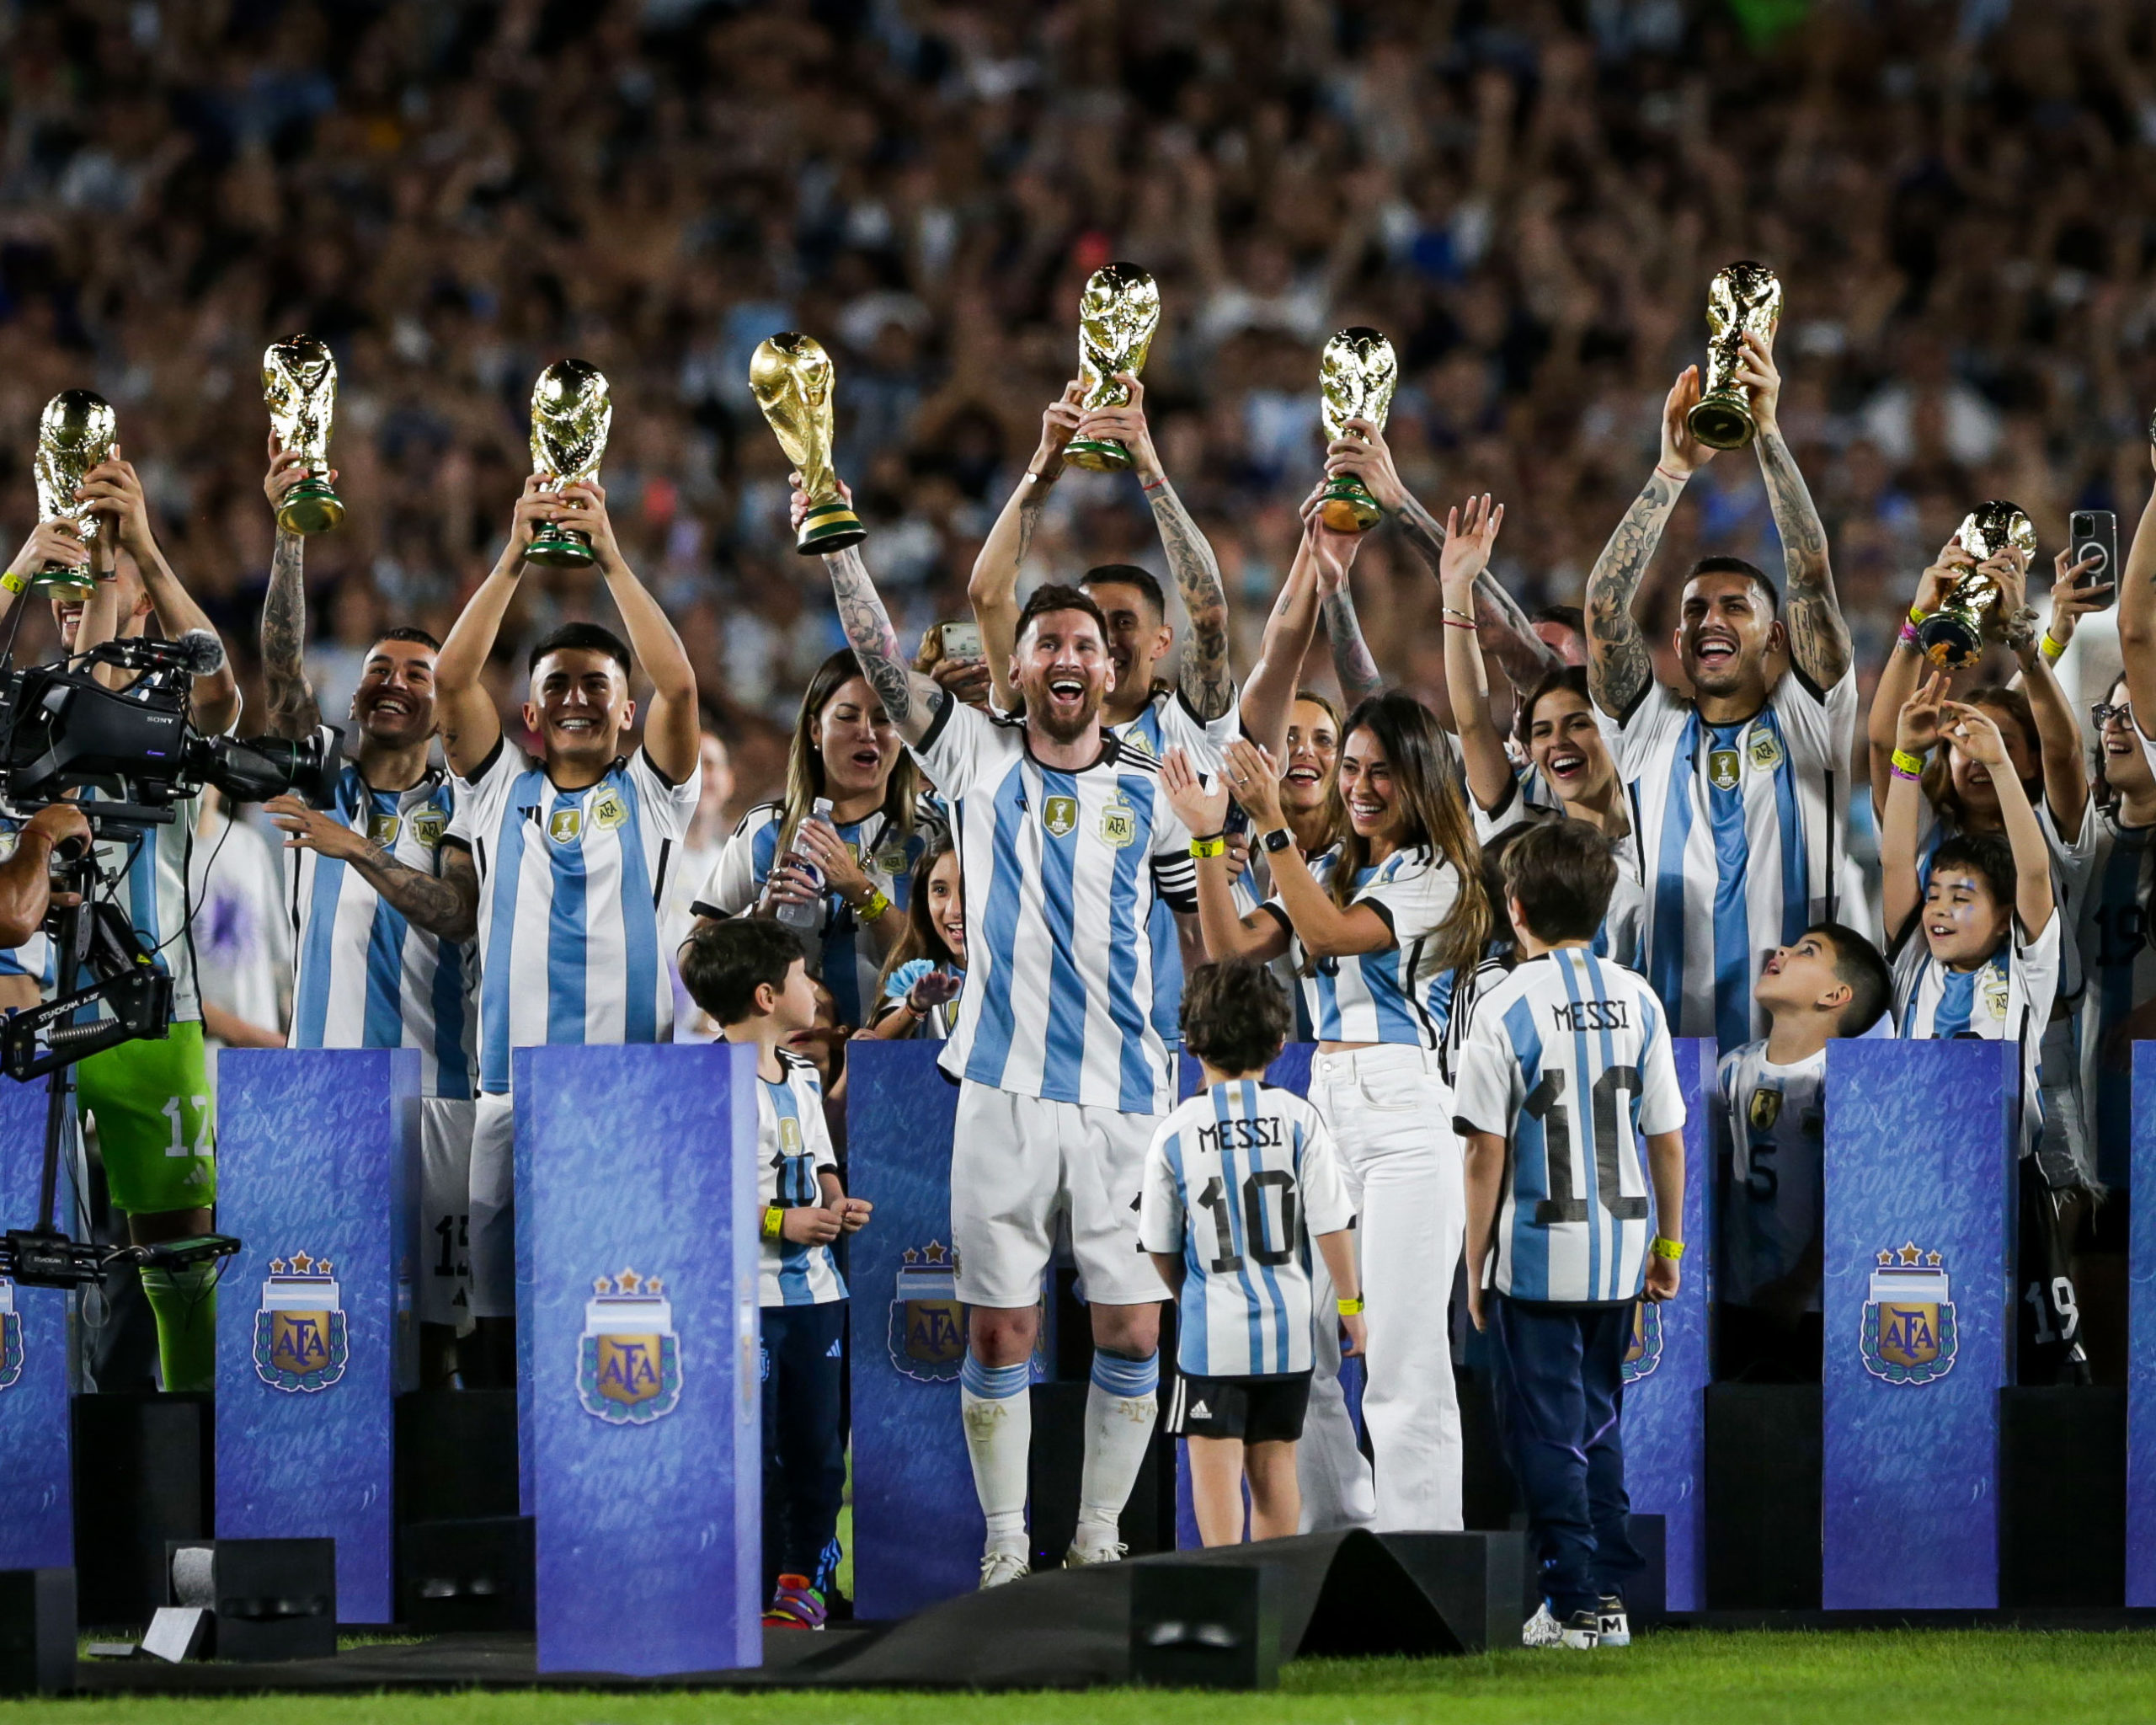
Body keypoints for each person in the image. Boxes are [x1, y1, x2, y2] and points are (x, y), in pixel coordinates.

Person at [808, 471, 1197, 1586]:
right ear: (1017, 668)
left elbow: (1197, 924)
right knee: (998, 1337)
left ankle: (1098, 1537)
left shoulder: (1158, 786)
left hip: (1129, 1096)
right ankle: (1004, 1546)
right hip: (1001, 1094)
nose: (1069, 660)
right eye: (1048, 645)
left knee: (1130, 1334)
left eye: (1087, 645)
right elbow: (882, 658)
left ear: (1113, 671)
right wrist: (838, 542)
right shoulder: (974, 755)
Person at [1167, 692, 1491, 1534]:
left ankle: (1419, 1552)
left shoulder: (1436, 870)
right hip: (1324, 1113)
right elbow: (1233, 950)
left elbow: (1335, 934)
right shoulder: (1339, 862)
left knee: (1398, 1353)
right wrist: (1209, 837)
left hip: (1408, 1113)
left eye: (1381, 769)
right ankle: (1337, 1533)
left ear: (1421, 776)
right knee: (1292, 1345)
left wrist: (1273, 825)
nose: (1360, 784)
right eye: (1351, 767)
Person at [431, 475, 702, 1385]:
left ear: (627, 713)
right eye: (559, 686)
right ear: (530, 714)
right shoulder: (498, 787)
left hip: (627, 1086)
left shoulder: (654, 793)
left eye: (599, 685)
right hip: (509, 1091)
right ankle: (517, 1510)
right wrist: (513, 556)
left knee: (615, 1295)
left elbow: (680, 682)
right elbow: (451, 678)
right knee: (505, 1326)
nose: (580, 697)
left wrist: (612, 558)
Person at [967, 376, 1301, 1049]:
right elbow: (988, 593)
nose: (1106, 638)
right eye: (1092, 623)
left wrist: (1149, 465)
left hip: (1203, 1031)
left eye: (1124, 623)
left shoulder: (1192, 727)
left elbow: (1209, 611)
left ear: (1160, 642)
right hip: (1067, 1029)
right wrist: (1046, 465)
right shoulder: (1036, 721)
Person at [252, 439, 481, 1383]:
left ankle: (436, 1521)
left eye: (416, 674)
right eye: (378, 670)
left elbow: (458, 913)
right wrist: (290, 534)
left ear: (442, 702)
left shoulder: (468, 798)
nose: (390, 682)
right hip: (322, 1089)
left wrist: (362, 850)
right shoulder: (321, 775)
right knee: (319, 1296)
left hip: (438, 1094)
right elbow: (277, 665)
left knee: (439, 1329)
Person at [1582, 344, 1862, 1049]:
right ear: (1677, 645)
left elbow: (1809, 570)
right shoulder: (1648, 731)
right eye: (1696, 611)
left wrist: (1767, 432)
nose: (1711, 619)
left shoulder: (1811, 722)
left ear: (1776, 640)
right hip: (1669, 1060)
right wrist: (1672, 471)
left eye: (1736, 607)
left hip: (1802, 1057)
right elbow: (1605, 610)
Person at [1453, 819, 1688, 1653]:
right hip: (1620, 1249)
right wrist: (1669, 1246)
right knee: (1597, 1422)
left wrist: (1473, 1260)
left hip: (1539, 1252)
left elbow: (1484, 1148)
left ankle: (1572, 1600)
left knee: (1546, 1430)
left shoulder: (1503, 1003)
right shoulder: (1638, 997)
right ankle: (1606, 1597)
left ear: (1513, 907)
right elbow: (1665, 1134)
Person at [53, 447, 241, 1395]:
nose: (76, 596)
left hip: (154, 1021)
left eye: (100, 584)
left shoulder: (171, 719)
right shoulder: (24, 716)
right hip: (36, 1013)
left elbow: (223, 694)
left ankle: (193, 1453)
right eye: (64, 590)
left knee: (178, 1253)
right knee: (29, 1243)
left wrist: (150, 552)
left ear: (140, 613)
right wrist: (20, 570)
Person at [1867, 531, 2102, 1195]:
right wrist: (1915, 627)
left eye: (1994, 740)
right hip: (1931, 1050)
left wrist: (2032, 641)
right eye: (1961, 739)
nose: (1972, 755)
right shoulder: (1927, 838)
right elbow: (1886, 742)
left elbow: (2063, 753)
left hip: (2044, 1047)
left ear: (2022, 757)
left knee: (2056, 1231)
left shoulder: (2054, 831)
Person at [1884, 678, 2081, 1380]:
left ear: (2003, 919)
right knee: (1937, 1340)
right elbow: (1893, 861)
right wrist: (1907, 762)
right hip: (1915, 1175)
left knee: (2032, 1354)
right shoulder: (1913, 967)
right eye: (1935, 896)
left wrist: (1999, 763)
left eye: (1962, 898)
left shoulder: (2027, 967)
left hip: (2008, 1180)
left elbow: (2032, 868)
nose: (1939, 910)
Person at [681, 917, 871, 1630]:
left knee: (818, 1453)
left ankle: (808, 1584)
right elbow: (699, 1194)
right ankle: (746, 1587)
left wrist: (834, 1202)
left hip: (817, 1296)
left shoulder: (800, 1073)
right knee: (750, 1456)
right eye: (798, 978)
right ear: (766, 996)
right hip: (744, 1301)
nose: (811, 990)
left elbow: (820, 1160)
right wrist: (776, 1223)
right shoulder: (704, 1080)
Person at [1140, 956, 1364, 1547]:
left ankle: (1226, 1599)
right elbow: (1332, 1224)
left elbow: (1160, 1245)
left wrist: (1188, 1293)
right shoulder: (1298, 1119)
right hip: (1287, 1333)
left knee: (1215, 1484)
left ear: (1189, 1041)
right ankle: (1275, 1605)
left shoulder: (1175, 1131)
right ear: (1280, 1040)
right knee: (1276, 1473)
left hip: (1212, 1336)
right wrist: (1350, 1308)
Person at [1439, 493, 1642, 964]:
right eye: (1543, 732)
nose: (1557, 743)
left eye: (1577, 724)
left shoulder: (1662, 820)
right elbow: (1472, 719)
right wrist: (1456, 588)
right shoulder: (1525, 827)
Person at [692, 649, 935, 1030]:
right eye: (847, 716)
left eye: (884, 719)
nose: (867, 732)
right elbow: (695, 955)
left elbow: (936, 964)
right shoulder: (767, 828)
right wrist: (761, 918)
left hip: (895, 1057)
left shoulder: (927, 835)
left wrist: (860, 891)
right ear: (815, 730)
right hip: (787, 1062)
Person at [1717, 923, 1892, 1383]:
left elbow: (1850, 1201)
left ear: (1836, 995)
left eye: (1806, 951)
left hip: (1814, 1304)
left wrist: (1800, 1284)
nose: (1782, 951)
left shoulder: (1845, 1081)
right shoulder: (1732, 1066)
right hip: (1736, 1296)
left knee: (1799, 1437)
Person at [864, 838, 964, 1041]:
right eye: (940, 891)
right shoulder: (917, 971)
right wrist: (914, 1007)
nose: (954, 909)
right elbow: (874, 1045)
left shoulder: (1024, 970)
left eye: (967, 890)